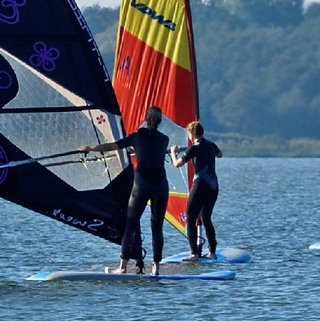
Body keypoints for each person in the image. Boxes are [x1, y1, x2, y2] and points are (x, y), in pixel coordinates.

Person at [79, 105, 170, 274]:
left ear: (145, 118)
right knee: (157, 228)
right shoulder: (165, 139)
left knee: (131, 225)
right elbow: (152, 148)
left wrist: (90, 148)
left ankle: (122, 267)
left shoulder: (136, 137)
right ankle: (156, 268)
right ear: (159, 121)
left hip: (142, 186)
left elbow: (114, 146)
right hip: (160, 186)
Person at [170, 120, 224, 260]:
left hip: (200, 185)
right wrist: (186, 149)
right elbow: (220, 154)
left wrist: (173, 153)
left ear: (191, 133)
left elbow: (177, 164)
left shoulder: (193, 148)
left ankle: (194, 253)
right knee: (206, 218)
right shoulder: (210, 145)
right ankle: (212, 252)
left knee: (191, 217)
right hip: (213, 187)